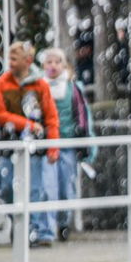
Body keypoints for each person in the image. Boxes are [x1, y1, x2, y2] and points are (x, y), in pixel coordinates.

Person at [0, 41, 59, 246]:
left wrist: (53, 147)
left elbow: (51, 118)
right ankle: (18, 223)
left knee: (34, 189)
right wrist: (27, 123)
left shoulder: (40, 85)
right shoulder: (3, 82)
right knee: (7, 187)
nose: (9, 63)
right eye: (9, 58)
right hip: (10, 143)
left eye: (13, 59)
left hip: (34, 146)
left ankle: (32, 231)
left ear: (27, 61)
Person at [40, 47, 93, 241]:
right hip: (47, 144)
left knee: (65, 186)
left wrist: (82, 140)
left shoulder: (72, 88)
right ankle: (50, 225)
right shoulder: (40, 87)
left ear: (63, 65)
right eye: (49, 62)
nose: (53, 66)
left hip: (68, 142)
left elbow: (81, 114)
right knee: (48, 187)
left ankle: (64, 223)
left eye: (57, 62)